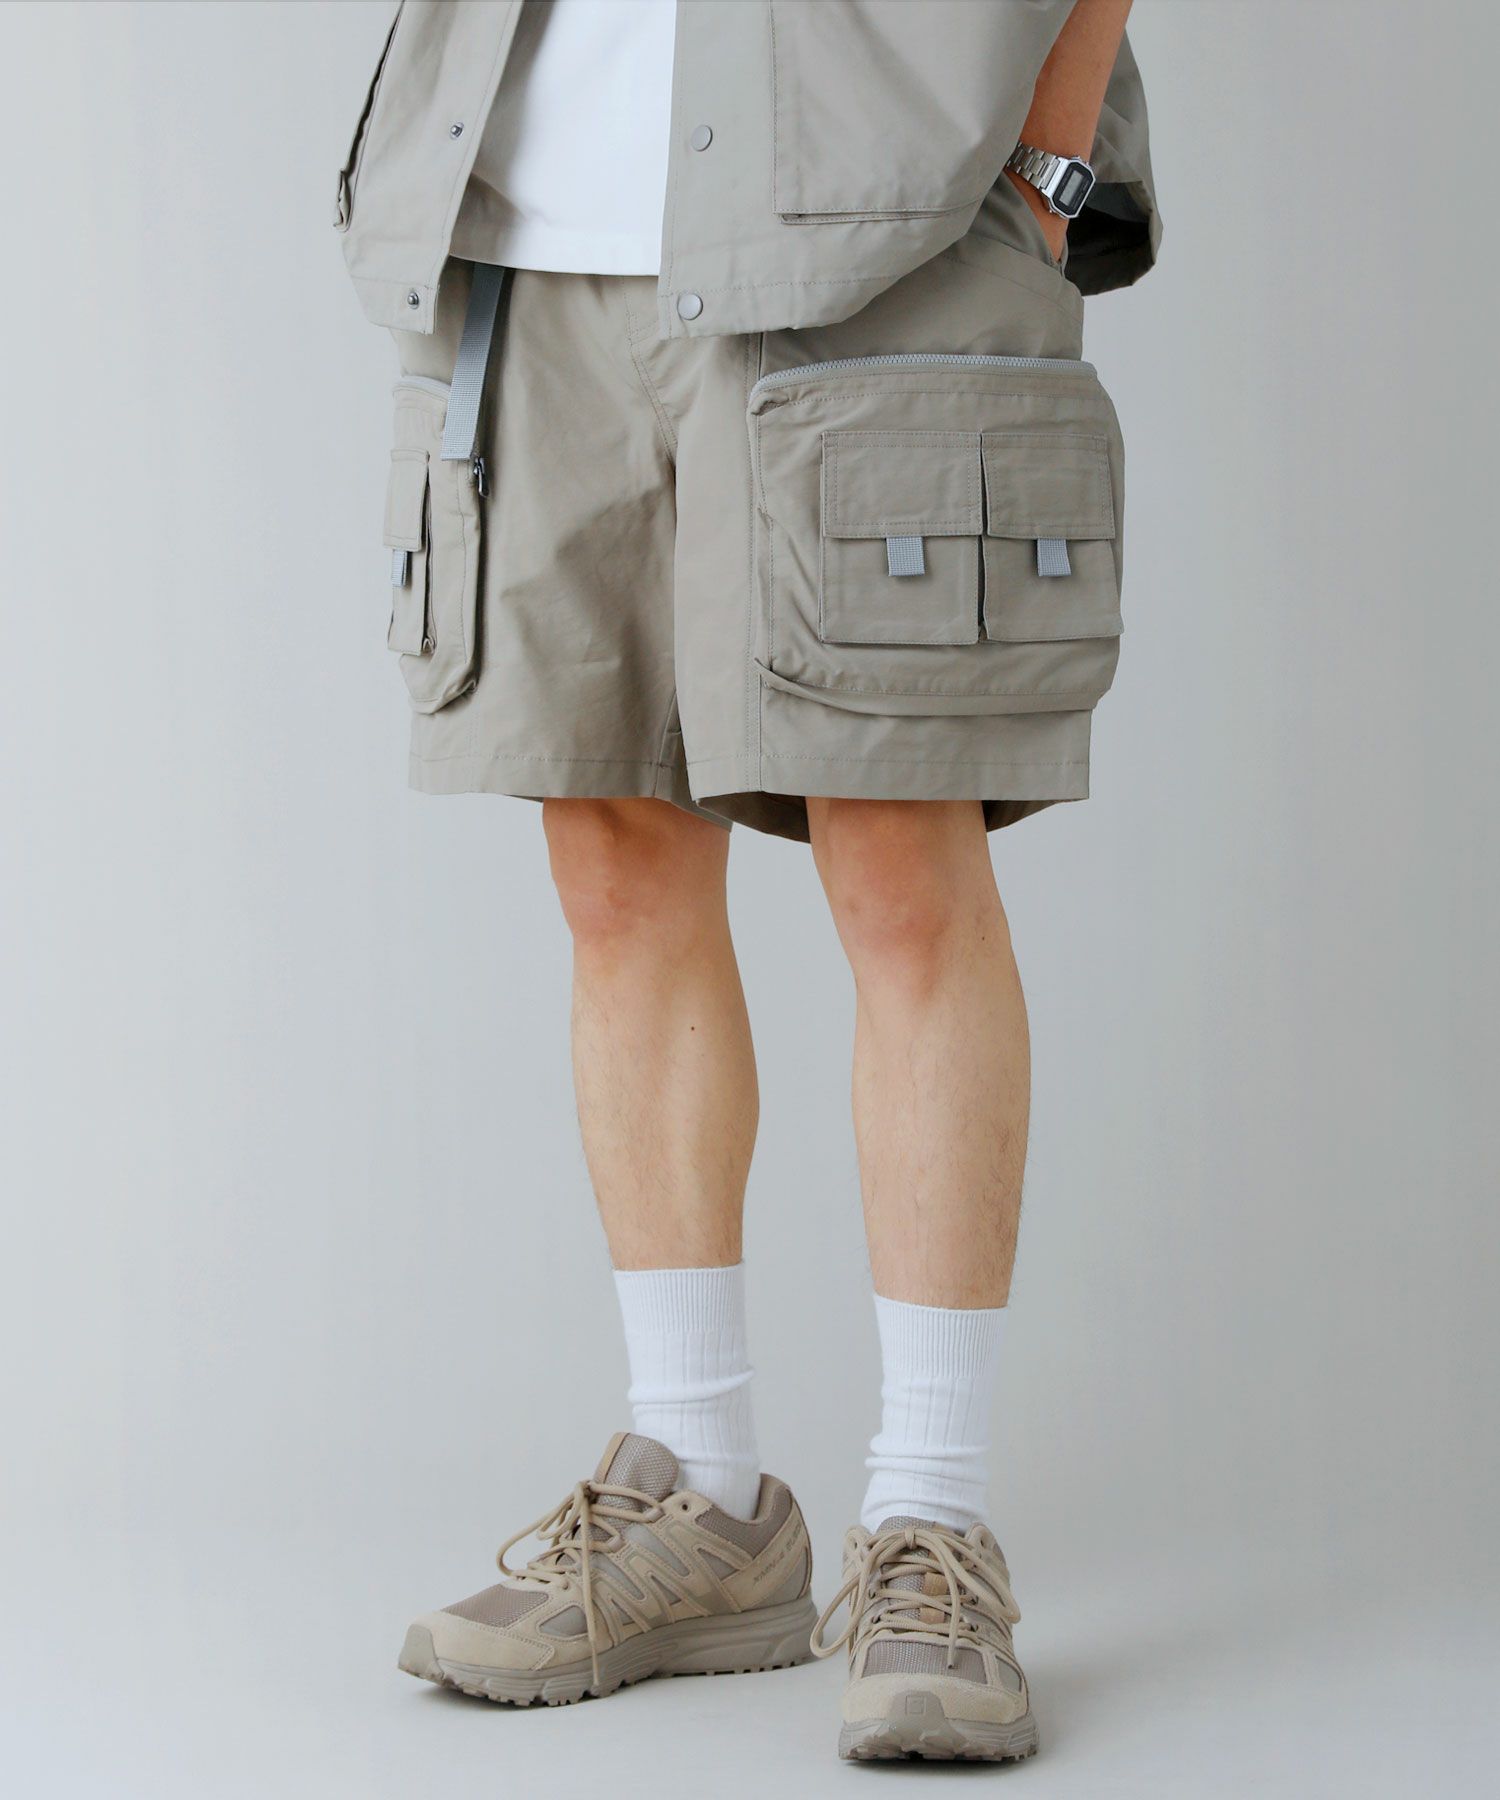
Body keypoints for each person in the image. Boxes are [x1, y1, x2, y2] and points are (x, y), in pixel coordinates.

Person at [335, 0, 1158, 1763]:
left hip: (888, 197)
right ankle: (703, 1496)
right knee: (613, 859)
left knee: (900, 856)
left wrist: (1049, 153)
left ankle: (929, 1517)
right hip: (532, 221)